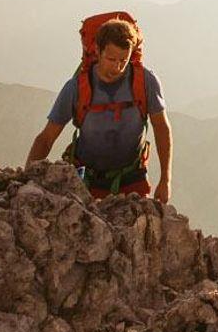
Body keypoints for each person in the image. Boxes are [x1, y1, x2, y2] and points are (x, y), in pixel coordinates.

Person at [25, 18, 174, 203]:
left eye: (123, 60)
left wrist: (165, 180)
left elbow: (161, 128)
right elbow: (46, 138)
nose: (117, 67)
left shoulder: (145, 82)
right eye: (111, 59)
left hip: (131, 178)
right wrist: (26, 179)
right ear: (97, 51)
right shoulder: (77, 88)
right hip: (87, 180)